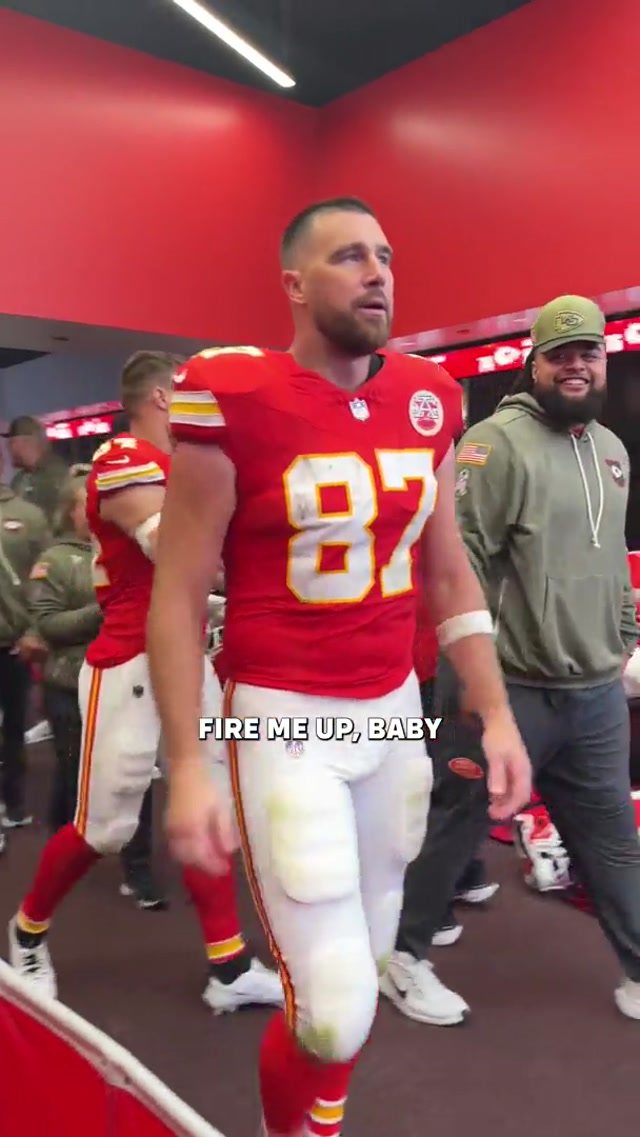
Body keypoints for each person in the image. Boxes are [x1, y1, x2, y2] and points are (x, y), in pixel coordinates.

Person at [146, 197, 531, 1137]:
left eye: (386, 256)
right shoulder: (232, 392)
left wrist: (496, 709)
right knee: (332, 1004)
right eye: (350, 256)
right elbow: (181, 587)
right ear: (295, 282)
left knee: (358, 964)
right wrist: (191, 762)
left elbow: (447, 570)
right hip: (281, 716)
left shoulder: (425, 393)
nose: (378, 273)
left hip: (392, 710)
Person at [384, 294, 640, 1026]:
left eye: (588, 351)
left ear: (602, 361)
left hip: (592, 692)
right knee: (455, 822)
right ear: (534, 362)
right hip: (508, 688)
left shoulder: (613, 452)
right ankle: (401, 956)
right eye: (560, 353)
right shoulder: (493, 447)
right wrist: (471, 684)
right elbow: (454, 568)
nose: (576, 364)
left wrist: (622, 629)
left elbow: (610, 558)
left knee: (613, 840)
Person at [8, 351, 282, 1014]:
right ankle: (25, 933)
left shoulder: (186, 464)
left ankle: (229, 964)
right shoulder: (123, 455)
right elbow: (181, 551)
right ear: (163, 397)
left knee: (210, 812)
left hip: (188, 654)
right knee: (104, 826)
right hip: (131, 660)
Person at [28, 466, 165, 908]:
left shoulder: (134, 551)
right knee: (77, 783)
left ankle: (138, 871)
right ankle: (60, 863)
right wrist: (106, 611)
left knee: (134, 777)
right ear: (75, 512)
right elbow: (47, 623)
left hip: (129, 681)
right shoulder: (58, 560)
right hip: (70, 683)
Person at [0, 445, 51, 833]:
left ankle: (12, 803)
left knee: (13, 727)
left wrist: (34, 630)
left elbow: (44, 581)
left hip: (12, 643)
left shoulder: (28, 516)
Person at [6, 415, 68, 525]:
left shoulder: (57, 475)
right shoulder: (19, 479)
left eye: (11, 443)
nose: (8, 448)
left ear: (26, 442)